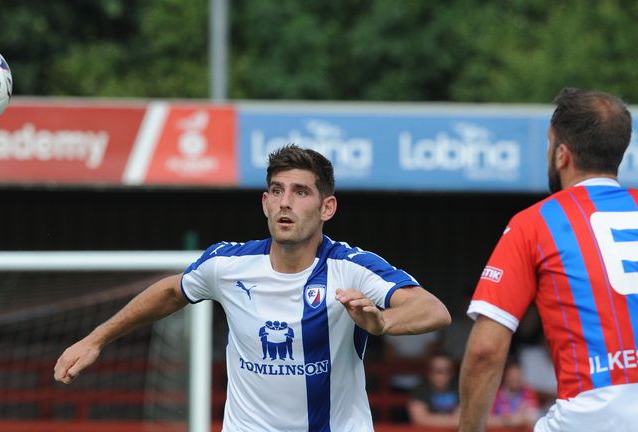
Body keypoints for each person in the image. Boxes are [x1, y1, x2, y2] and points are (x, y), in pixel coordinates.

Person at [54, 144, 452, 431]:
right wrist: (96, 339)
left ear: (326, 208)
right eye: (277, 191)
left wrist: (380, 323)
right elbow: (170, 291)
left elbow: (434, 310)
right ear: (264, 202)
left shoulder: (349, 267)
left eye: (300, 192)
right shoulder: (228, 265)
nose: (285, 203)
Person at [458, 88, 638, 432]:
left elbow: (485, 351)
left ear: (562, 155)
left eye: (548, 144)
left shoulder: (535, 223)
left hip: (589, 417)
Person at [407, 352, 460, 428]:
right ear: (428, 372)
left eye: (446, 370)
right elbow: (419, 419)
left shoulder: (460, 388)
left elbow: (463, 417)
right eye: (436, 370)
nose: (441, 374)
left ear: (452, 372)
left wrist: (433, 419)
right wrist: (452, 421)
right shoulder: (420, 389)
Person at [486, 360, 540, 429]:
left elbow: (532, 419)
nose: (515, 378)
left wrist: (499, 420)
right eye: (512, 376)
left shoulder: (529, 393)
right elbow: (486, 421)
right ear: (505, 375)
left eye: (518, 375)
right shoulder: (494, 394)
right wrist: (511, 420)